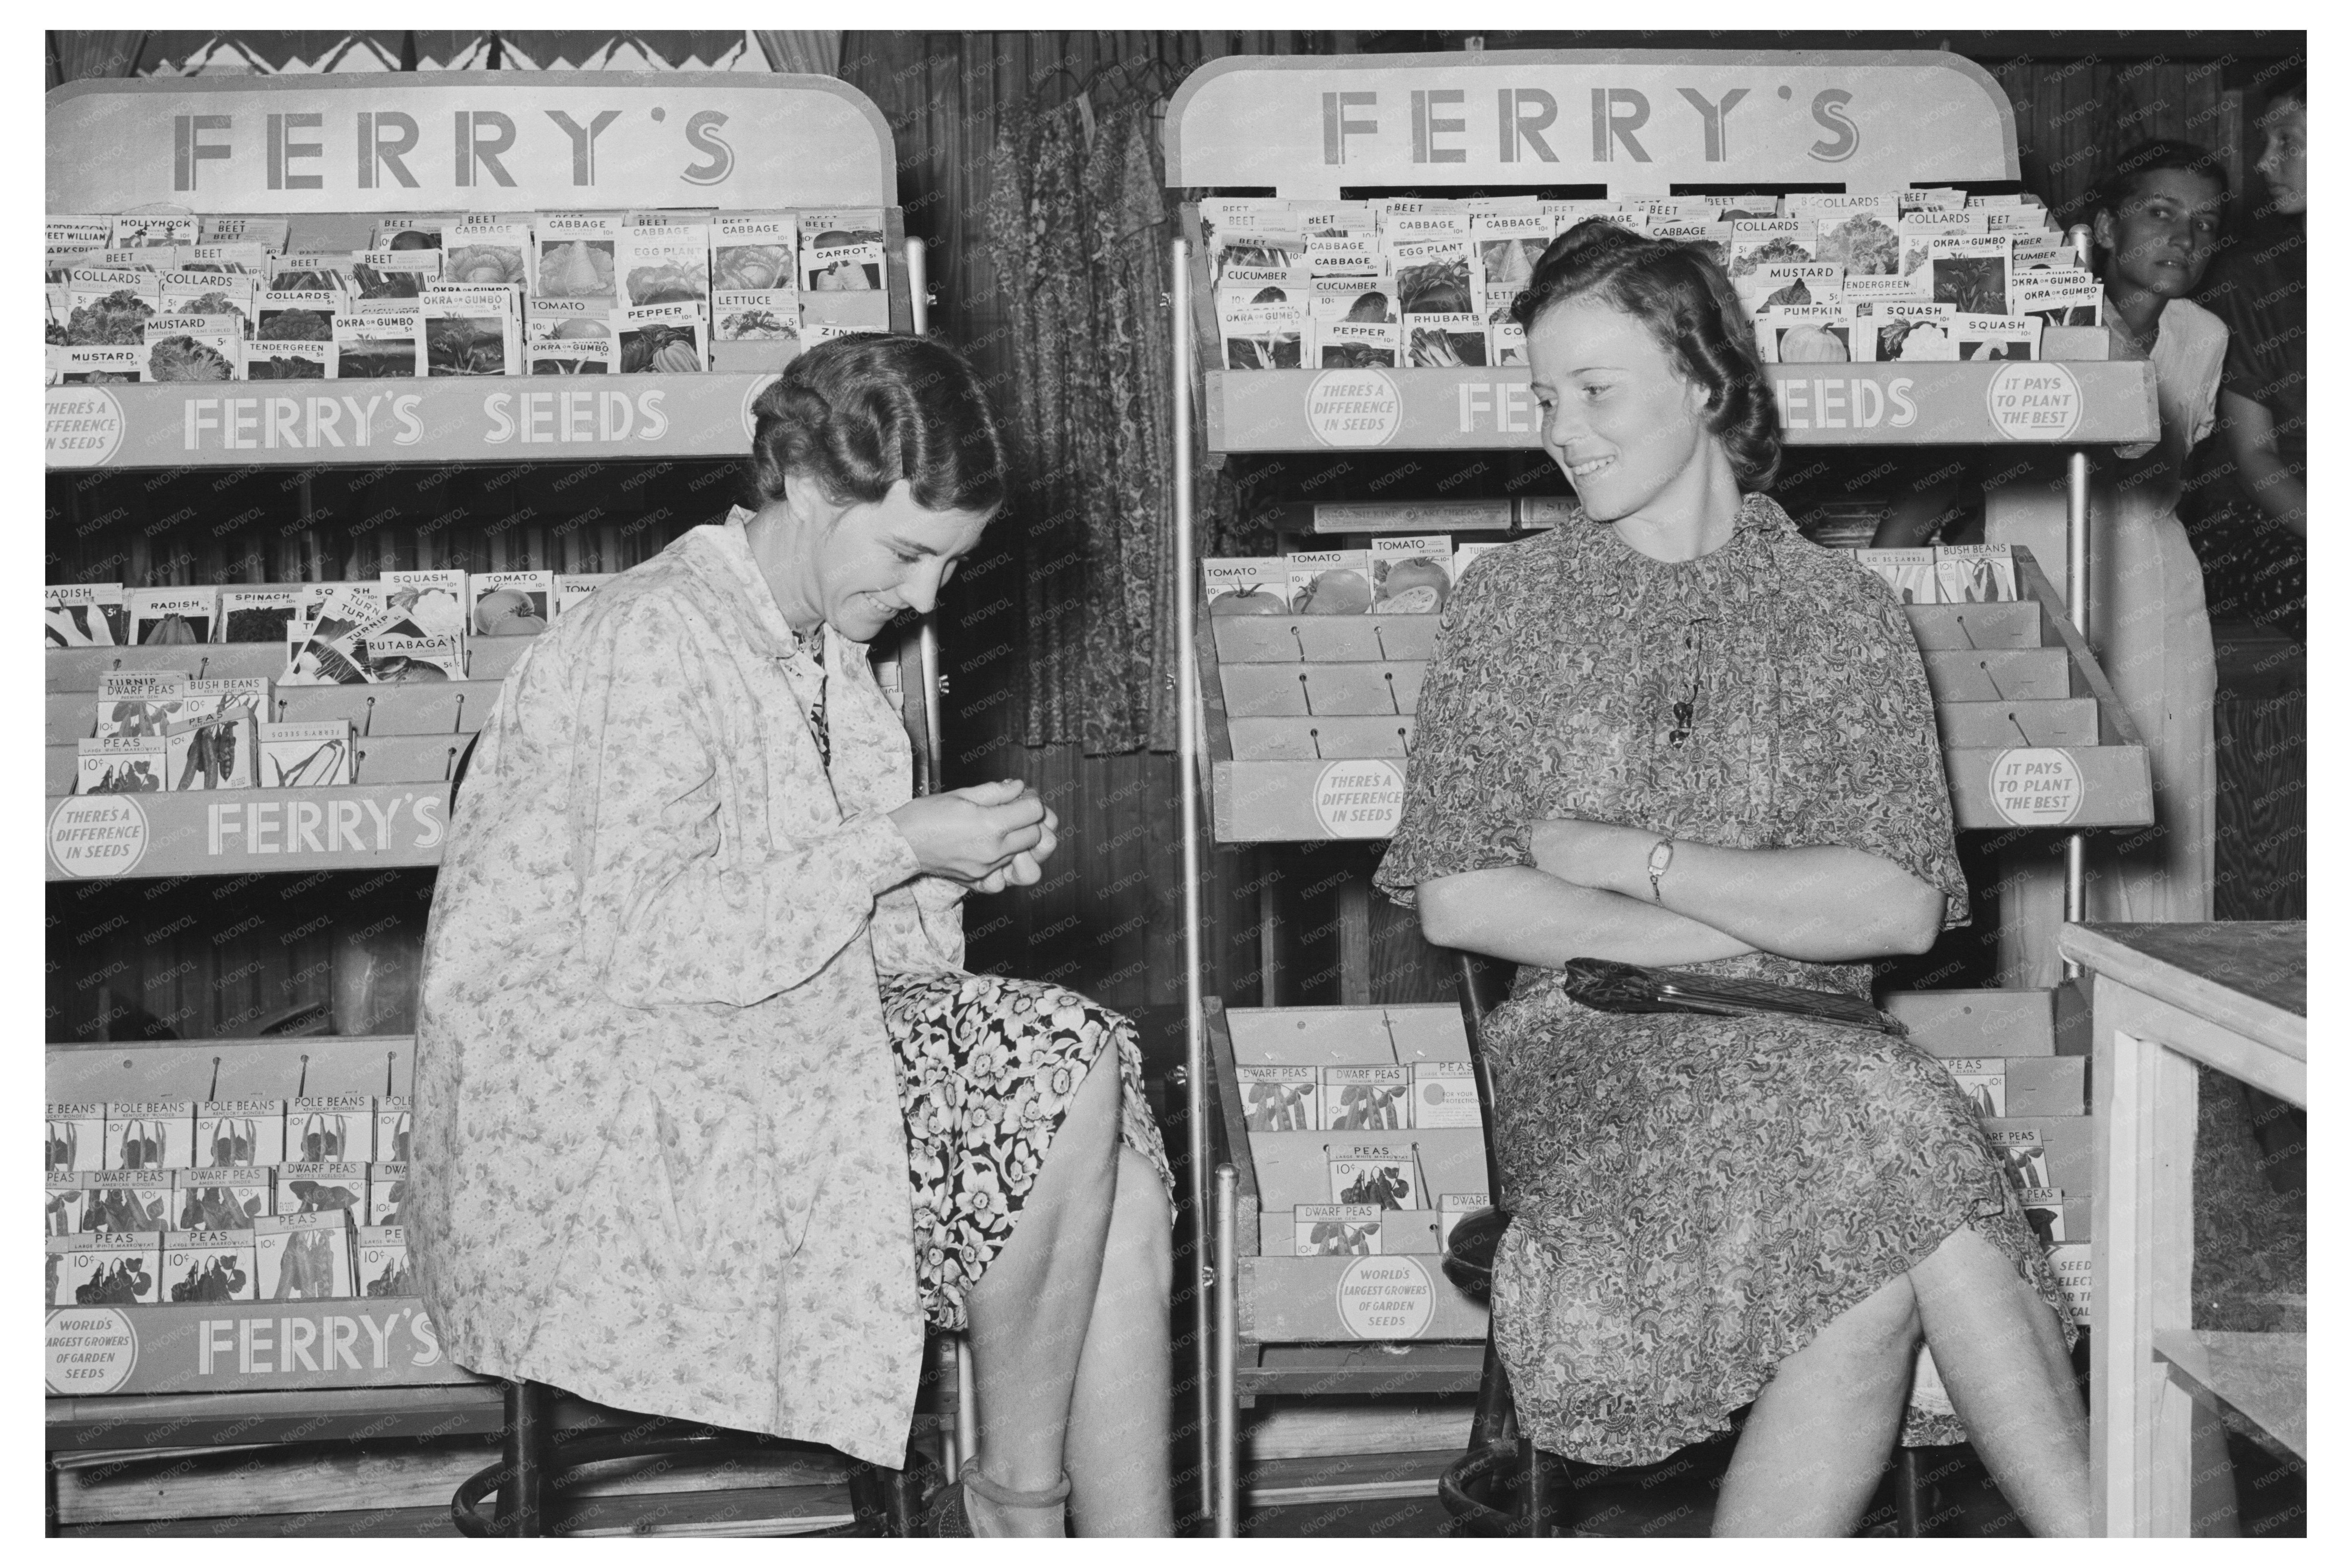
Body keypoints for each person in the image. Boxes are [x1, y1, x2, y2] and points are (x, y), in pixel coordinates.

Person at [1376, 223, 2089, 1537]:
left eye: (1596, 391)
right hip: (1597, 1054)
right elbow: (1463, 901)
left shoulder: (1841, 615)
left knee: (1867, 1198)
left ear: (1704, 382)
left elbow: (1897, 909)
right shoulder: (1510, 611)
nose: (1562, 431)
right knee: (1891, 1140)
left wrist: (1629, 863)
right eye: (1545, 395)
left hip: (1817, 1047)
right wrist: (1760, 909)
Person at [410, 335, 1174, 1539]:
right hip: (602, 1116)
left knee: (1117, 1175)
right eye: (910, 552)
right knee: (1066, 1055)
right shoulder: (652, 637)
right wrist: (899, 847)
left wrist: (948, 869)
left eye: (950, 566)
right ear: (814, 496)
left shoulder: (831, 659)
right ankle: (1015, 1506)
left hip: (758, 1064)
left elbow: (888, 969)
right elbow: (652, 949)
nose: (926, 598)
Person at [1984, 141, 2230, 987]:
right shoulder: (2028, 313)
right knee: (2047, 792)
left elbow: (2165, 463)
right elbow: (1954, 463)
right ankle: (2050, 1021)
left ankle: (2166, 1022)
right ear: (2102, 226)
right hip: (2039, 563)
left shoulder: (2203, 335)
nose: (2185, 240)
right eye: (2161, 214)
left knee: (2166, 800)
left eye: (2204, 226)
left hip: (2154, 585)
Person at [2188, 71, 2305, 641]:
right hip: (2270, 526)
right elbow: (2257, 463)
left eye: (2287, 143)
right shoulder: (2253, 279)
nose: (2263, 162)